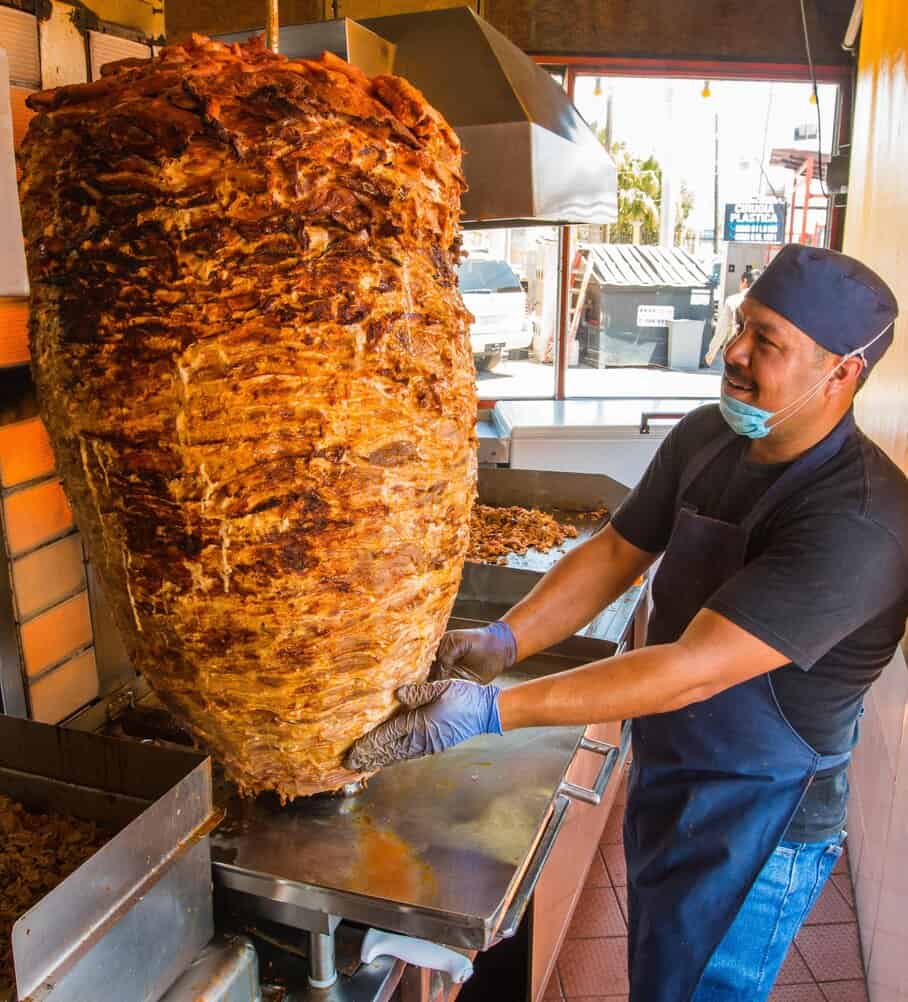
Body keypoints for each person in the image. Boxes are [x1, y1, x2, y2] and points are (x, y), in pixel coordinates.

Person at [346, 244, 908, 1002]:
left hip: (763, 818)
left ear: (843, 371)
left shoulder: (861, 521)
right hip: (675, 773)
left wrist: (491, 709)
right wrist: (504, 640)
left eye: (767, 342)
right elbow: (617, 550)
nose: (734, 352)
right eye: (741, 325)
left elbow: (691, 668)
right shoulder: (711, 435)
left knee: (704, 989)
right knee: (659, 977)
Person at [705, 267, 761, 366]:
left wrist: (711, 353)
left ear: (744, 281)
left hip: (736, 350)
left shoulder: (733, 300)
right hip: (758, 354)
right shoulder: (766, 304)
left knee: (730, 378)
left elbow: (722, 329)